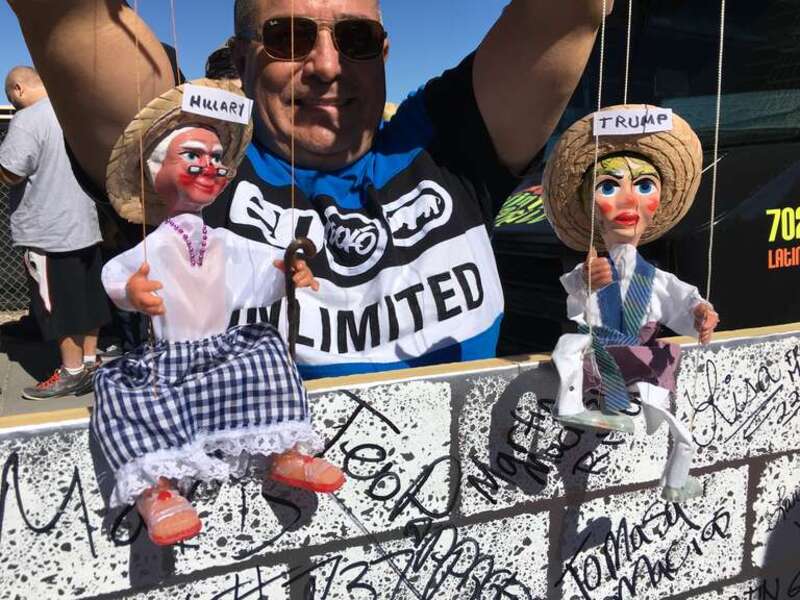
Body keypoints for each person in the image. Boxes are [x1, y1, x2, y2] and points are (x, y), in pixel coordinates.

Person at [7, 0, 613, 378]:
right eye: (289, 38)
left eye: (356, 41)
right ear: (244, 60)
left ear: (383, 54)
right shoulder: (202, 167)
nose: (327, 65)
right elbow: (67, 13)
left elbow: (565, 12)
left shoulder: (442, 147)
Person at [94, 79, 344, 546]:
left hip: (220, 351)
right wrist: (132, 291)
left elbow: (264, 270)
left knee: (266, 347)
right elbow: (117, 274)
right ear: (156, 170)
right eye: (192, 156)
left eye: (215, 158)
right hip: (168, 359)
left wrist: (290, 272)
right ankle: (157, 492)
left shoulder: (225, 240)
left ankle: (287, 451)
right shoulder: (154, 243)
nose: (209, 166)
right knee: (119, 390)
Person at [541, 104, 719, 502]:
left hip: (641, 361)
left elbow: (683, 301)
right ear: (590, 205)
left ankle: (675, 482)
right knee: (571, 347)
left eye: (644, 186)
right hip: (602, 355)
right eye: (608, 186)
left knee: (681, 434)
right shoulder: (594, 268)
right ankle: (575, 405)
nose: (628, 200)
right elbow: (577, 297)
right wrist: (586, 283)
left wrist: (701, 315)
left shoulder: (656, 279)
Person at [0, 66, 110, 399]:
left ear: (19, 89)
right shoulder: (75, 111)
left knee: (57, 307)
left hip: (48, 231)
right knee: (88, 300)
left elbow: (12, 172)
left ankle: (71, 372)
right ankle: (89, 364)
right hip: (85, 224)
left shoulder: (28, 119)